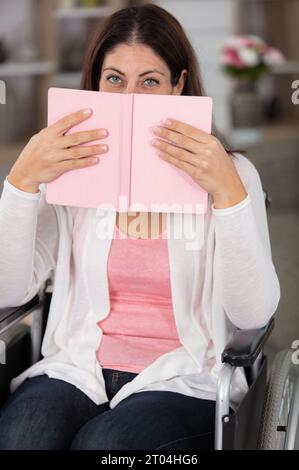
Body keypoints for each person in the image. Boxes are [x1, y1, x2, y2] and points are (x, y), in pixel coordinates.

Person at [0, 4, 280, 450]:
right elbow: (7, 292)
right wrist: (21, 182)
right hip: (76, 368)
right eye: (115, 80)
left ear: (179, 85)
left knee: (106, 445)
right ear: (95, 84)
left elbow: (253, 316)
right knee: (21, 437)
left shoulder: (232, 173)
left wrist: (227, 193)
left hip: (183, 378)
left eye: (149, 81)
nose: (129, 99)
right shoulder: (71, 171)